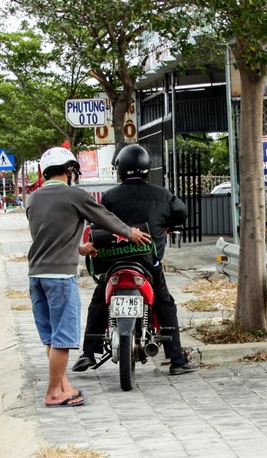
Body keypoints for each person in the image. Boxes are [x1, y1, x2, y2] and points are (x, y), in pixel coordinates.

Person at [26, 147, 151, 408]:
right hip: (60, 277)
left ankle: (64, 386)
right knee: (63, 338)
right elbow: (103, 217)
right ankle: (53, 393)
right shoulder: (74, 195)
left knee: (51, 337)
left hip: (36, 275)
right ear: (70, 170)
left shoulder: (34, 198)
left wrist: (79, 248)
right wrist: (130, 233)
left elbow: (49, 235)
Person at [72, 144, 199, 376]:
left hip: (114, 263)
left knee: (99, 302)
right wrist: (168, 225)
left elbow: (97, 221)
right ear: (147, 168)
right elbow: (181, 212)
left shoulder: (110, 197)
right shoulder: (163, 195)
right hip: (148, 264)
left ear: (120, 170)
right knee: (164, 304)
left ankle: (88, 353)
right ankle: (177, 359)